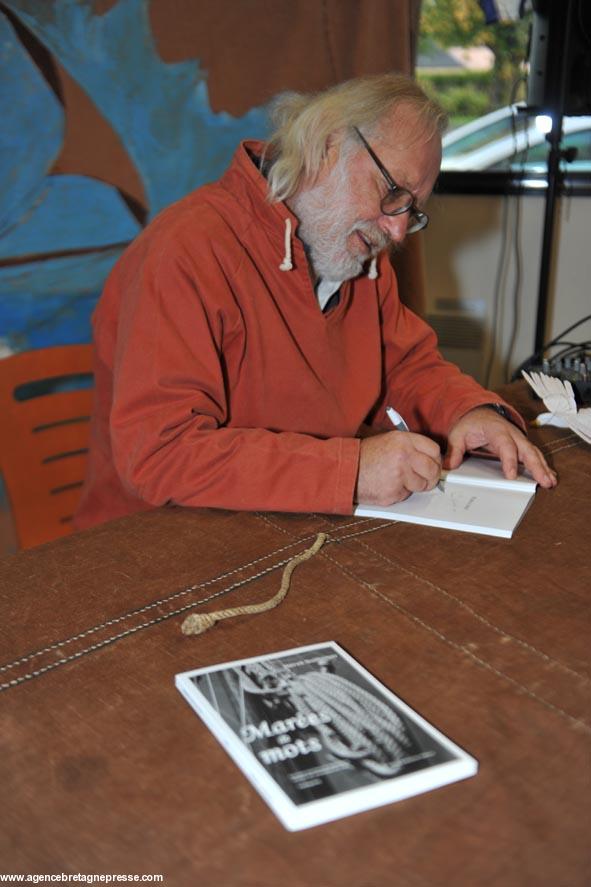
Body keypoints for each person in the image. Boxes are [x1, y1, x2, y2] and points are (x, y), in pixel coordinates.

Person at [75, 73, 556, 530]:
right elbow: (161, 455)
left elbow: (405, 366)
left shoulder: (353, 255)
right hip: (154, 548)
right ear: (327, 147)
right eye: (393, 193)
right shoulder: (186, 251)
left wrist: (468, 413)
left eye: (411, 210)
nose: (396, 230)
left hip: (287, 527)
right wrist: (351, 472)